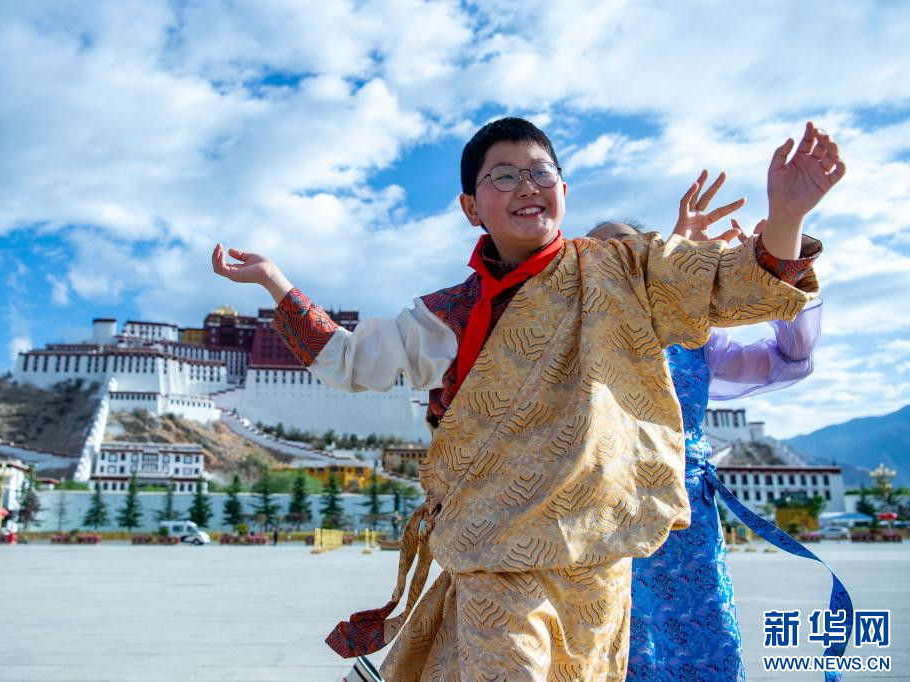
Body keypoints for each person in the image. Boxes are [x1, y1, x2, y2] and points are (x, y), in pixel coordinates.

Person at [212, 118, 843, 680]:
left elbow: (732, 285)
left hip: (595, 556)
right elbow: (351, 360)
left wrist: (787, 218)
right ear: (471, 206)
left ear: (563, 190)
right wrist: (275, 281)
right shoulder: (449, 313)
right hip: (496, 555)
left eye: (541, 172)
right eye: (504, 175)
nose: (526, 186)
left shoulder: (624, 271)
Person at [591, 171, 850, 681]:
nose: (614, 261)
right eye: (595, 255)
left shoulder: (694, 340)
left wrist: (779, 252)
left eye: (629, 250)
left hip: (685, 524)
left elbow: (789, 358)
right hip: (595, 521)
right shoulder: (565, 338)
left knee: (697, 653)